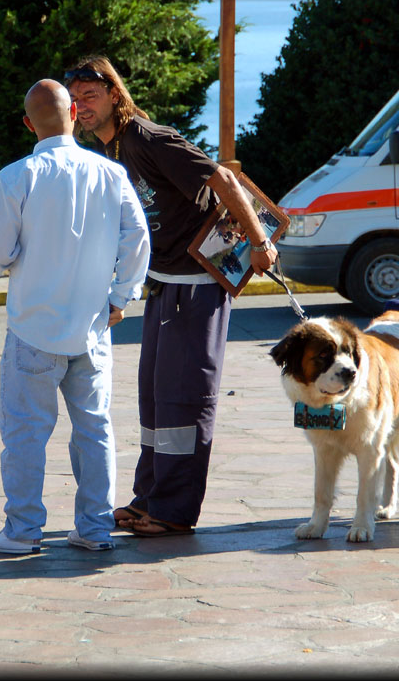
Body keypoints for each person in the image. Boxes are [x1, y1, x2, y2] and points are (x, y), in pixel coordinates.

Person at [64, 56, 278, 538]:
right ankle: (150, 499)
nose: (81, 107)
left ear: (115, 95)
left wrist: (259, 242)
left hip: (198, 286)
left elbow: (223, 178)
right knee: (156, 403)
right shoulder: (111, 148)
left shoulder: (147, 136)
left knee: (184, 401)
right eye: (74, 100)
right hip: (163, 285)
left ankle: (175, 511)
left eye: (90, 96)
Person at [0, 79, 150, 554]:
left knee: (24, 436)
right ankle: (95, 529)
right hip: (93, 327)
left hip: (33, 328)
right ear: (74, 112)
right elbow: (138, 239)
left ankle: (22, 531)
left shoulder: (15, 177)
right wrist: (121, 298)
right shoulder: (110, 173)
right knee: (95, 429)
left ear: (28, 124)